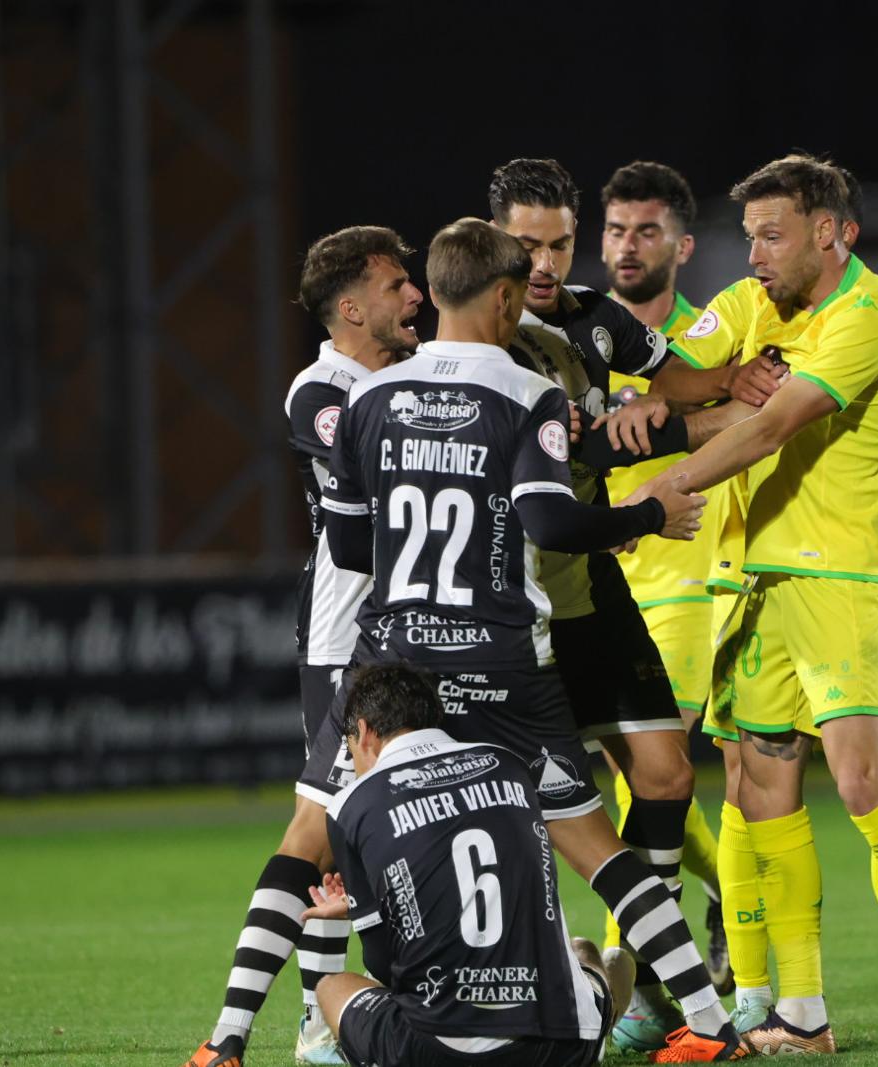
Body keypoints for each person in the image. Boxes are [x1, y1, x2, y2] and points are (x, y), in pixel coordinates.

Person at [307, 217, 748, 1063]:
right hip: (500, 664)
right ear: (506, 298)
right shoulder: (523, 392)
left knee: (344, 834)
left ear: (430, 292)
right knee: (595, 848)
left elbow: (353, 545)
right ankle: (710, 1022)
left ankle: (312, 1024)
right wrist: (650, 513)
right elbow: (548, 518)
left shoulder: (368, 395)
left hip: (402, 669)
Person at [628, 154, 878, 1055]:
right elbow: (665, 381)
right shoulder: (749, 308)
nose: (753, 256)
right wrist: (721, 377)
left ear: (828, 231)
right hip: (757, 581)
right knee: (756, 787)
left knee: (865, 783)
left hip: (844, 581)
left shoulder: (870, 317)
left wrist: (655, 494)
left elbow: (775, 426)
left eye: (770, 235)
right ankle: (798, 1010)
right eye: (748, 237)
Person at [486, 159, 777, 1053]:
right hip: (511, 599)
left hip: (592, 588)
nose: (544, 262)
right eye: (526, 245)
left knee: (666, 773)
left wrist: (744, 379)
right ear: (493, 239)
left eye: (559, 243)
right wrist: (632, 494)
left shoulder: (591, 319)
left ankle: (643, 978)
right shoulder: (475, 341)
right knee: (498, 816)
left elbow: (677, 381)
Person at [183, 226, 423, 1067]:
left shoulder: (411, 377)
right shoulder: (320, 389)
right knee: (317, 829)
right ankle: (229, 1038)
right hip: (351, 641)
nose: (416, 297)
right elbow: (376, 459)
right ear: (351, 307)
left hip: (422, 633)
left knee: (363, 833)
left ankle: (324, 1023)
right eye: (398, 286)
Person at [299, 663, 636, 1067]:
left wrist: (370, 910)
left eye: (350, 745)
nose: (353, 761)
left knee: (332, 986)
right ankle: (611, 1011)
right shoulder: (509, 764)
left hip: (441, 1050)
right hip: (562, 1046)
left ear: (366, 731)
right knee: (584, 951)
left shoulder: (350, 804)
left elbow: (383, 966)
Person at [597, 159, 729, 995]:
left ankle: (625, 971)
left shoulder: (710, 341)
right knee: (640, 774)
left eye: (646, 230)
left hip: (686, 571)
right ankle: (722, 892)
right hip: (600, 580)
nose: (627, 245)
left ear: (681, 243)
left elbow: (750, 416)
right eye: (614, 229)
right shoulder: (579, 335)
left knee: (657, 760)